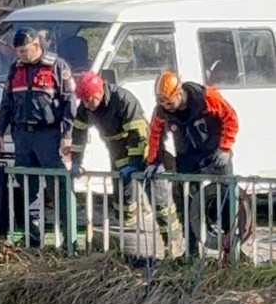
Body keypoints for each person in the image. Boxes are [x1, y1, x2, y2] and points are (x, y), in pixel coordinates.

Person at [0, 27, 76, 247]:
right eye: (18, 52)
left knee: (58, 188)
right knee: (28, 189)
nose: (20, 55)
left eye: (24, 51)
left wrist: (67, 135)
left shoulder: (57, 66)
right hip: (22, 136)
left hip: (48, 135)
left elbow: (70, 103)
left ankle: (69, 242)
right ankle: (33, 240)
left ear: (37, 46)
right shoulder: (15, 69)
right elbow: (7, 103)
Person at [145, 71, 239, 254]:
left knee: (226, 197)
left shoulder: (205, 97)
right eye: (162, 103)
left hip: (215, 153)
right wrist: (153, 161)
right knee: (187, 203)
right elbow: (156, 135)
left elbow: (231, 118)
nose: (167, 107)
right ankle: (191, 251)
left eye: (170, 103)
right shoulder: (162, 112)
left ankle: (232, 252)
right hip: (187, 157)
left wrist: (225, 147)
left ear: (179, 93)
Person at [71, 71, 172, 239]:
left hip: (143, 150)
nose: (87, 105)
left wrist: (133, 163)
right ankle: (128, 234)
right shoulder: (85, 108)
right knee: (122, 198)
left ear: (99, 91)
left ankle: (171, 241)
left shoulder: (123, 100)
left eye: (90, 100)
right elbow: (78, 134)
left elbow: (137, 134)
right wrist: (76, 161)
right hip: (116, 151)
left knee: (157, 195)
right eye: (84, 101)